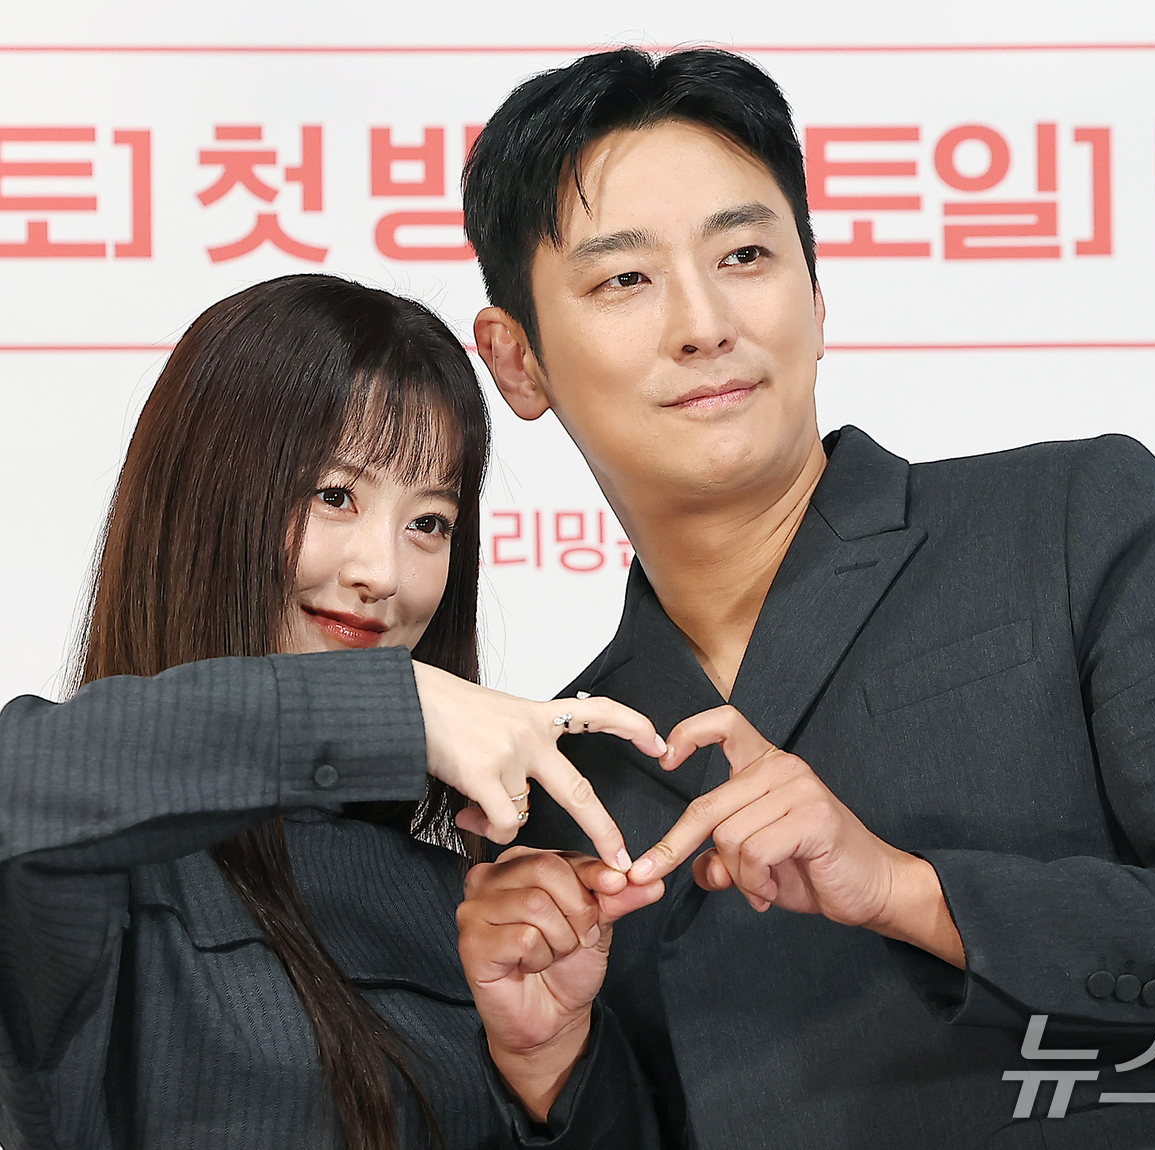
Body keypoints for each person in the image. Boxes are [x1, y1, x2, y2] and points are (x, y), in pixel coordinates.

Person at [459, 48, 1155, 1149]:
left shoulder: (1065, 521)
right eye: (624, 279)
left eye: (744, 254)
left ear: (815, 294)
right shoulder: (564, 782)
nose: (702, 323)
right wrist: (551, 1066)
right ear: (516, 361)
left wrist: (906, 891)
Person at [0, 274, 667, 1149]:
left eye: (429, 523)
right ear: (201, 502)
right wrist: (391, 707)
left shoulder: (481, 905)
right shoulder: (93, 861)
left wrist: (553, 1065)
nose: (383, 575)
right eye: (334, 496)